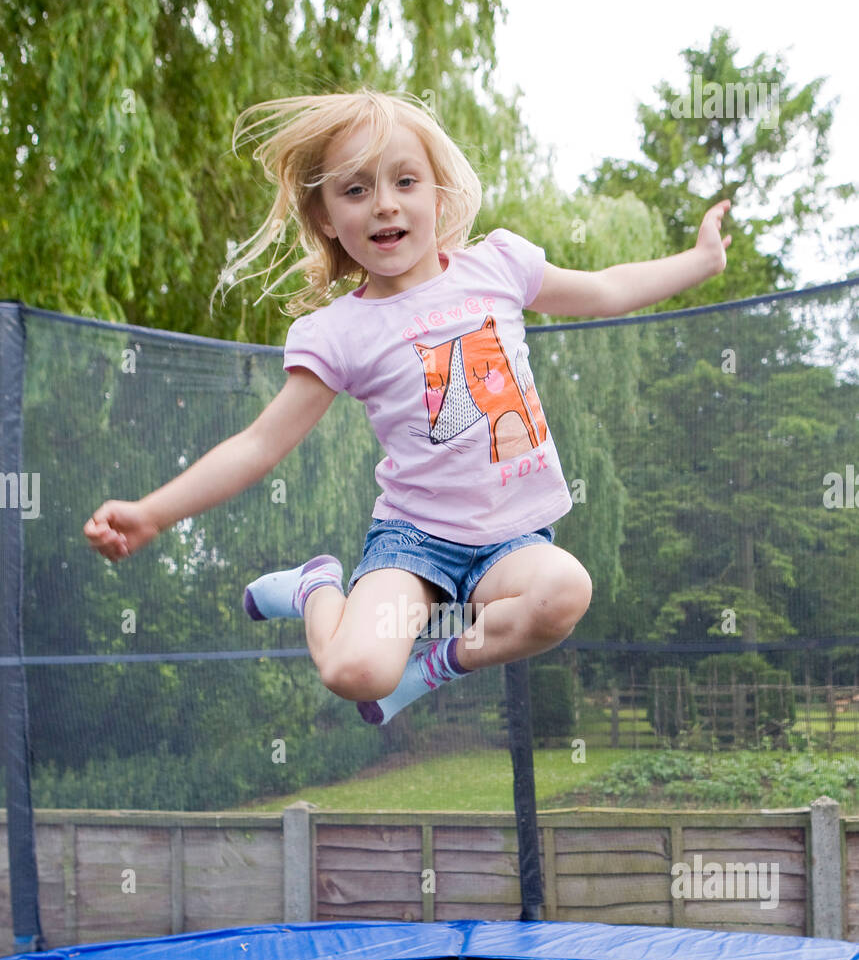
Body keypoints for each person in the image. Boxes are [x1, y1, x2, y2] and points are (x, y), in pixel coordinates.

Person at [84, 89, 730, 725]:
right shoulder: (339, 332)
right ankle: (315, 589)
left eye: (404, 181)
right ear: (327, 220)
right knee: (355, 673)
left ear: (437, 195)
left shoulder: (497, 267)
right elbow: (259, 444)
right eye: (355, 190)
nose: (384, 204)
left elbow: (608, 288)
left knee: (563, 591)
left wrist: (699, 261)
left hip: (509, 542)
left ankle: (442, 661)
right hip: (415, 544)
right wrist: (151, 513)